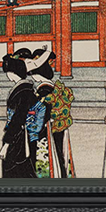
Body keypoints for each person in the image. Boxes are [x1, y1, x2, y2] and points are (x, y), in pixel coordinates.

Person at [26, 46, 76, 177]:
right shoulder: (54, 87)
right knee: (59, 154)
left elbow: (42, 113)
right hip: (58, 126)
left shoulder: (44, 90)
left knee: (48, 156)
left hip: (47, 127)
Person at [0, 51, 42, 178]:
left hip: (19, 136)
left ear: (12, 73)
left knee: (15, 168)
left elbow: (18, 118)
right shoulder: (26, 89)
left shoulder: (23, 92)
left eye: (8, 72)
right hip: (20, 134)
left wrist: (6, 144)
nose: (7, 76)